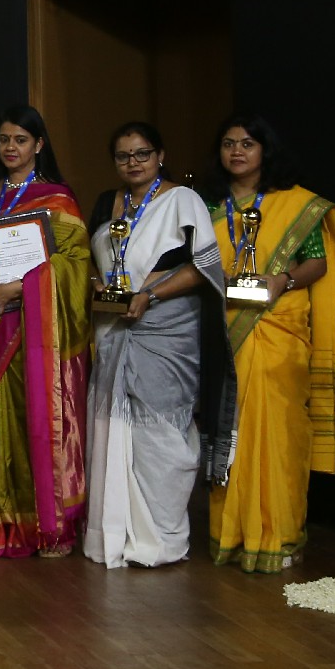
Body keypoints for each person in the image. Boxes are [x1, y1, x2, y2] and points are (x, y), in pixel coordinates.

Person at [84, 121, 226, 569]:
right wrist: (98, 288)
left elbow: (201, 268)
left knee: (162, 430)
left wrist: (151, 295)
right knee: (113, 427)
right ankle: (116, 533)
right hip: (114, 328)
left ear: (160, 155)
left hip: (166, 329)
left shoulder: (183, 200)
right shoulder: (107, 203)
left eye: (142, 153)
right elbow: (94, 263)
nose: (134, 163)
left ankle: (163, 537)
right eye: (123, 156)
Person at [204, 115, 335, 574]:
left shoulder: (296, 204)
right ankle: (231, 535)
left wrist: (281, 280)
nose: (236, 152)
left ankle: (279, 535)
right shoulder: (207, 207)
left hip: (278, 326)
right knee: (230, 426)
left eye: (247, 144)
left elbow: (316, 263)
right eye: (228, 143)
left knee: (280, 433)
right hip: (225, 328)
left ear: (266, 150)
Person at [0, 105, 93, 559]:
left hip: (34, 326)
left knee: (32, 416)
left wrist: (19, 289)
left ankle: (45, 526)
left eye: (20, 139)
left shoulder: (57, 199)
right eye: (4, 139)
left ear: (38, 144)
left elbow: (74, 265)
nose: (11, 148)